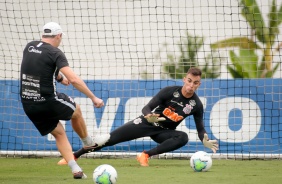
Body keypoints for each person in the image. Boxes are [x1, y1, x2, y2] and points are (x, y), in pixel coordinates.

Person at [57, 67, 218, 167]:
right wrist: (149, 116)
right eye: (189, 81)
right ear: (185, 79)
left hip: (163, 132)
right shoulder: (170, 91)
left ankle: (145, 155)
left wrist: (204, 138)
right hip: (146, 123)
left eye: (195, 83)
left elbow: (200, 127)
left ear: (199, 84)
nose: (191, 86)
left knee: (183, 137)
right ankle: (74, 156)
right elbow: (146, 107)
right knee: (109, 139)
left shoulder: (196, 105)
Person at [20, 22, 110, 179]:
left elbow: (39, 67)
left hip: (28, 102)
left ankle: (76, 170)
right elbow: (74, 79)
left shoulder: (29, 47)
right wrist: (93, 97)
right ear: (58, 36)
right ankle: (87, 142)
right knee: (77, 110)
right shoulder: (55, 52)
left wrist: (59, 78)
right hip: (47, 100)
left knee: (59, 133)